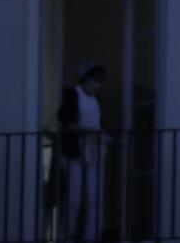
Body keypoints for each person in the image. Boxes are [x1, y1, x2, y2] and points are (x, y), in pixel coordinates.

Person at [57, 62, 107, 242]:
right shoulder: (73, 95)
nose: (98, 85)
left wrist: (103, 136)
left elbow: (100, 123)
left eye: (101, 81)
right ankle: (66, 234)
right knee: (74, 197)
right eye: (96, 80)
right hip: (74, 152)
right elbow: (67, 123)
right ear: (86, 79)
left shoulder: (97, 99)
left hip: (94, 152)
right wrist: (92, 131)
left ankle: (91, 234)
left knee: (94, 197)